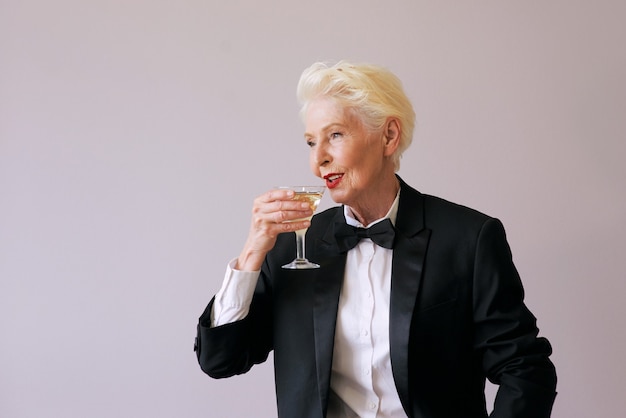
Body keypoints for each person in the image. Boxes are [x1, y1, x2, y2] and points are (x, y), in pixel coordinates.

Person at [194, 61, 557, 417]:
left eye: (335, 135)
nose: (318, 159)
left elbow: (525, 368)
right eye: (310, 141)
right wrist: (252, 253)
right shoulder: (290, 247)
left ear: (388, 136)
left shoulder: (468, 240)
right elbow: (219, 360)